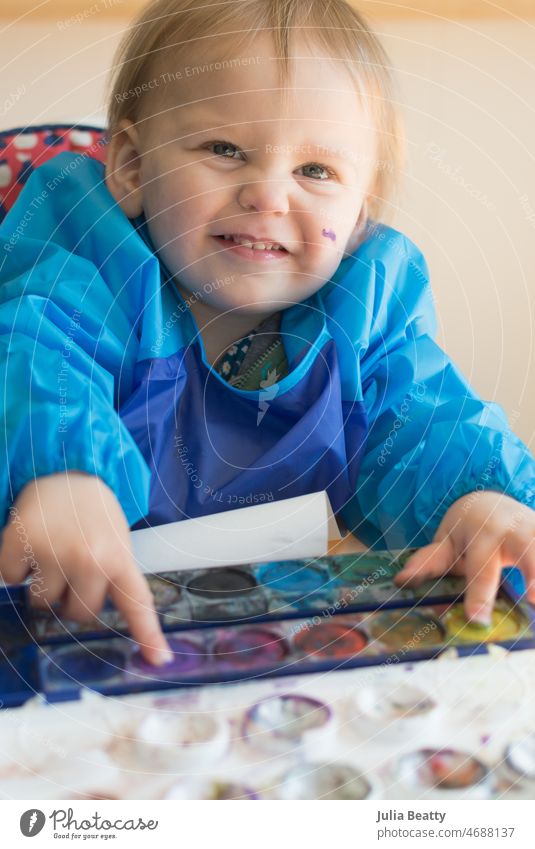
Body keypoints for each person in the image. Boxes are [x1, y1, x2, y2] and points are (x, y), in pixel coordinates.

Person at [0, 0, 534, 665]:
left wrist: (477, 497)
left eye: (315, 171)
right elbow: (38, 354)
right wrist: (60, 468)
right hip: (63, 615)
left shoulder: (364, 311)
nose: (269, 196)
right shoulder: (89, 259)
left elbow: (420, 420)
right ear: (133, 166)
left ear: (360, 209)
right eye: (225, 149)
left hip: (268, 630)